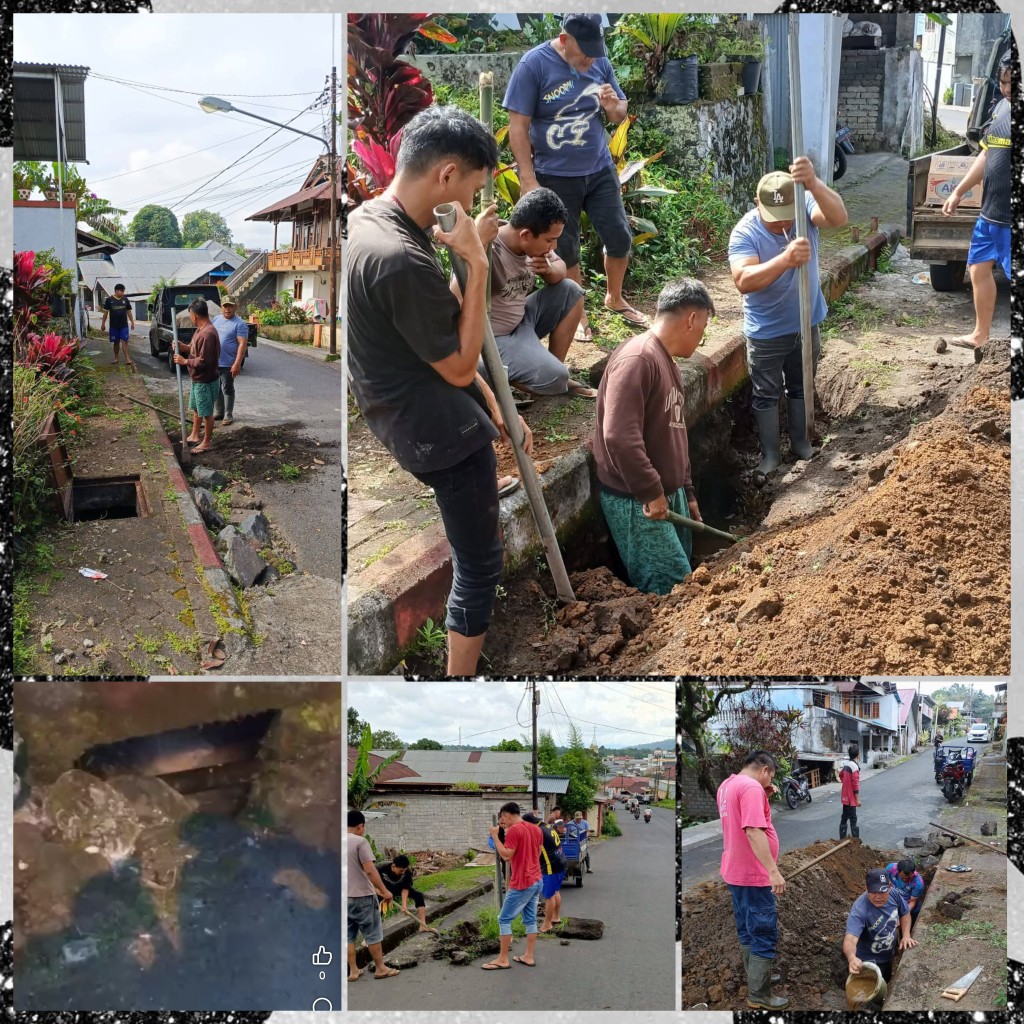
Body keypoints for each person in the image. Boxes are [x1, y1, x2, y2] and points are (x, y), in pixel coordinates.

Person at [347, 105, 533, 676]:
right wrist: (476, 264)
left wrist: (495, 398)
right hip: (439, 435)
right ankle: (459, 683)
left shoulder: (371, 222)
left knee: (473, 544)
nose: (474, 207)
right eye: (474, 189)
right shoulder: (401, 257)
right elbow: (455, 362)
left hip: (405, 411)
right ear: (447, 175)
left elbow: (432, 338)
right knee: (480, 561)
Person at [504, 13, 644, 343]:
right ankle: (577, 314)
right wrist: (527, 178)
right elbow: (518, 127)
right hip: (554, 175)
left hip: (599, 169)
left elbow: (620, 110)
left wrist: (613, 108)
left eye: (596, 52)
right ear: (565, 40)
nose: (592, 60)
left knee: (620, 235)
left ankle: (615, 297)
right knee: (566, 249)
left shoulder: (599, 61)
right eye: (585, 52)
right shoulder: (534, 65)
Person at [592, 278, 715, 594]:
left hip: (664, 494)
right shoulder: (639, 359)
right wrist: (650, 491)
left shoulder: (666, 361)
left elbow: (674, 434)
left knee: (682, 578)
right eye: (703, 328)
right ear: (691, 319)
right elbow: (619, 436)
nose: (701, 338)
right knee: (670, 588)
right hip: (638, 501)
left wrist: (686, 492)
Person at [729, 158, 848, 483]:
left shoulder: (805, 208)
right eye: (773, 219)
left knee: (800, 384)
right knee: (766, 392)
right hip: (766, 331)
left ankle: (800, 443)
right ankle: (770, 455)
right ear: (758, 204)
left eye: (786, 217)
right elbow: (744, 280)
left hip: (805, 323)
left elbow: (839, 217)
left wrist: (813, 183)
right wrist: (784, 260)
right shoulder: (745, 231)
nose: (782, 225)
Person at [482, 187, 595, 398]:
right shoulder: (489, 248)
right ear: (525, 235)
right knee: (555, 378)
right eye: (550, 240)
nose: (554, 245)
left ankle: (550, 366)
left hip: (522, 321)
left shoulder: (533, 240)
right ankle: (505, 380)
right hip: (494, 337)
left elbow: (561, 269)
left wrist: (550, 271)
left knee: (571, 290)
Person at [941, 55, 1012, 351]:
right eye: (1004, 82)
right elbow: (984, 155)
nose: (1008, 88)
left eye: (1013, 82)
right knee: (978, 270)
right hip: (990, 213)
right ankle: (980, 334)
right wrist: (959, 191)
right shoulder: (1000, 109)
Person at [716, 750, 788, 1010]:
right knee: (764, 933)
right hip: (754, 875)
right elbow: (753, 830)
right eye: (770, 778)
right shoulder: (750, 788)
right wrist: (772, 871)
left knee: (747, 930)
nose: (770, 783)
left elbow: (739, 817)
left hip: (735, 872)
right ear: (765, 770)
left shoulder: (728, 785)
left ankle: (755, 977)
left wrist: (765, 793)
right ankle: (759, 995)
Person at [484, 802, 543, 969]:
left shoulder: (514, 830)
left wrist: (495, 835)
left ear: (507, 815)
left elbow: (506, 856)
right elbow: (538, 852)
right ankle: (528, 956)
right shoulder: (535, 828)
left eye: (503, 818)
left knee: (504, 919)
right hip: (537, 879)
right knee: (530, 919)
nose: (502, 822)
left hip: (522, 882)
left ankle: (503, 959)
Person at [347, 810, 400, 981]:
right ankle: (380, 968)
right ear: (360, 826)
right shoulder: (360, 842)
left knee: (349, 936)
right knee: (372, 934)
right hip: (362, 897)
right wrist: (384, 891)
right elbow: (370, 870)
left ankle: (353, 971)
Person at [844, 868, 917, 993]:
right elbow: (850, 939)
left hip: (889, 954)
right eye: (873, 892)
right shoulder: (860, 911)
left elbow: (905, 913)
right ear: (866, 888)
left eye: (882, 891)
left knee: (887, 980)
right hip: (869, 963)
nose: (878, 897)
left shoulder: (894, 894)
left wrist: (906, 935)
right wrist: (851, 958)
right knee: (870, 993)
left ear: (889, 887)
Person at [172, 298, 221, 455]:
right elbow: (195, 350)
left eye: (190, 315)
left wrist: (184, 361)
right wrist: (183, 347)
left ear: (194, 316)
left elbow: (204, 361)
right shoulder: (200, 330)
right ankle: (194, 435)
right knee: (196, 408)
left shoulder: (208, 334)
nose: (190, 318)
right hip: (197, 379)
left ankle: (206, 442)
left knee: (206, 412)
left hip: (206, 380)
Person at [524, 811, 566, 932]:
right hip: (561, 861)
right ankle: (556, 917)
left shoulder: (537, 832)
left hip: (550, 866)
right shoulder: (546, 826)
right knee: (556, 891)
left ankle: (547, 924)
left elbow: (536, 852)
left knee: (549, 896)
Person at [375, 853, 436, 934]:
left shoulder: (407, 871)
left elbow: (405, 888)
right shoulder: (380, 867)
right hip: (383, 889)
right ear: (393, 866)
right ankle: (371, 935)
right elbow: (368, 877)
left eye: (404, 870)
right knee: (379, 907)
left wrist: (404, 906)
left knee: (418, 896)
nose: (403, 872)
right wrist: (375, 889)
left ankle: (423, 926)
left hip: (398, 888)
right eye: (401, 870)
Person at [212, 295, 249, 425]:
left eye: (230, 306)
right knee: (216, 387)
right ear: (221, 307)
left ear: (235, 307)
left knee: (227, 388)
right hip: (214, 361)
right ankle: (219, 412)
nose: (227, 309)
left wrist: (237, 363)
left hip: (228, 363)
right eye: (225, 306)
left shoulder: (240, 324)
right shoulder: (216, 319)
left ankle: (228, 415)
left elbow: (242, 344)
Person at [100, 283, 135, 367]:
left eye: (123, 291)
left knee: (125, 341)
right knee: (116, 342)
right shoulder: (109, 300)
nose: (123, 293)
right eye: (122, 291)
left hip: (124, 326)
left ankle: (127, 359)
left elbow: (129, 312)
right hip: (114, 326)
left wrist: (132, 322)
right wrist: (103, 324)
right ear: (116, 291)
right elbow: (105, 313)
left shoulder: (125, 300)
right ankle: (116, 358)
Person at [884, 859, 924, 927]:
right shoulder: (890, 869)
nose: (905, 880)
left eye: (908, 878)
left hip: (910, 908)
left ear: (913, 872)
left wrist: (902, 915)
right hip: (893, 903)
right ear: (898, 871)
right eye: (903, 878)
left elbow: (912, 902)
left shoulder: (918, 883)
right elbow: (884, 883)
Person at [839, 742, 861, 840]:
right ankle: (855, 842)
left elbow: (840, 775)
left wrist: (845, 783)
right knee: (853, 818)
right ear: (858, 754)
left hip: (845, 796)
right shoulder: (854, 767)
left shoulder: (846, 765)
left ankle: (842, 839)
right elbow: (855, 785)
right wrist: (858, 800)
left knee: (844, 817)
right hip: (851, 798)